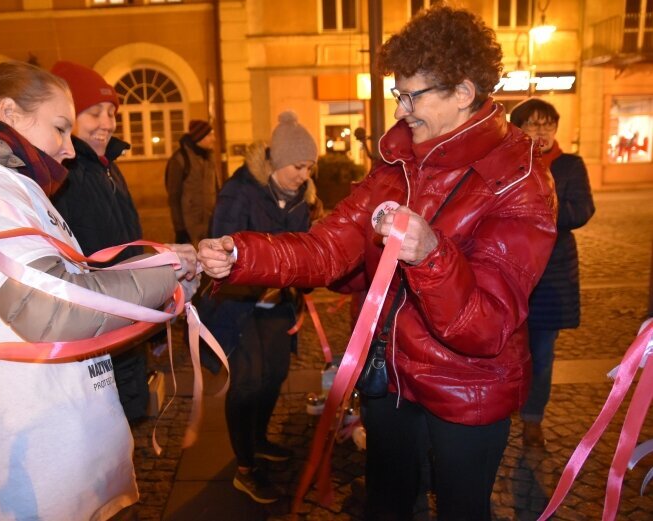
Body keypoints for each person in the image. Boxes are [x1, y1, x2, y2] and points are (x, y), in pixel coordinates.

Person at [198, 6, 557, 520]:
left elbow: (485, 325)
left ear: (463, 92)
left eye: (413, 95)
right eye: (398, 94)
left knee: (462, 509)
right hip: (388, 377)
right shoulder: (396, 166)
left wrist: (432, 256)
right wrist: (241, 253)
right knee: (386, 502)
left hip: (467, 386)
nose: (400, 110)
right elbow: (327, 248)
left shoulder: (519, 180)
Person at [0, 61, 197, 521]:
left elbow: (79, 289)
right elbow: (56, 307)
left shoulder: (15, 189)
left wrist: (174, 271)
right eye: (61, 129)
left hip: (72, 448)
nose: (69, 150)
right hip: (33, 474)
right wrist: (167, 273)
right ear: (9, 113)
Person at [51, 61, 188, 423]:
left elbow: (127, 242)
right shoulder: (66, 175)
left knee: (129, 417)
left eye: (111, 112)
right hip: (99, 326)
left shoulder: (106, 166)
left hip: (128, 316)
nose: (108, 122)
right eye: (94, 112)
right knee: (110, 424)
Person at [199, 111, 321, 504]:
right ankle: (246, 468)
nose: (303, 175)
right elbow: (222, 248)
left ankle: (259, 439)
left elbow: (305, 248)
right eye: (298, 166)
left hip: (279, 304)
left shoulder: (305, 198)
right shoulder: (240, 192)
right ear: (275, 161)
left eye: (308, 167)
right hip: (241, 304)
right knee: (248, 382)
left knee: (274, 375)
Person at [510, 98, 595, 447]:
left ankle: (532, 419)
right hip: (509, 271)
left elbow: (581, 211)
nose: (541, 131)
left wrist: (540, 208)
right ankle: (498, 412)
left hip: (551, 275)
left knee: (542, 352)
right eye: (533, 124)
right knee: (502, 351)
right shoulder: (507, 165)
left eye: (548, 125)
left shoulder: (570, 165)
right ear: (517, 129)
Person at [165, 119, 218, 244]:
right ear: (201, 137)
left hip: (210, 225)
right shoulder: (180, 160)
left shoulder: (210, 157)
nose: (214, 139)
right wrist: (180, 229)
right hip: (190, 228)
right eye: (210, 135)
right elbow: (174, 197)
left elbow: (216, 189)